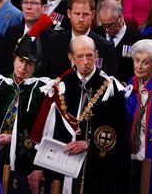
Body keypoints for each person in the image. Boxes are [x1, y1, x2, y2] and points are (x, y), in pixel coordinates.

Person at [30, 35, 131, 194]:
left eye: (89, 55)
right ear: (71, 57)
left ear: (97, 55)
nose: (85, 61)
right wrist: (38, 167)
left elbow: (120, 134)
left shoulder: (111, 89)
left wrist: (88, 145)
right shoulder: (61, 86)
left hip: (96, 169)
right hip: (59, 167)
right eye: (80, 56)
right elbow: (48, 130)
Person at [0, 13, 52, 194]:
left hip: (24, 163)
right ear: (13, 59)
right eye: (20, 61)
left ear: (36, 66)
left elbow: (45, 131)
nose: (23, 68)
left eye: (29, 63)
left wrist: (14, 138)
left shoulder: (42, 91)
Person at [45, 0, 117, 78]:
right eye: (77, 14)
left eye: (85, 14)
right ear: (69, 13)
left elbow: (109, 81)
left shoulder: (106, 46)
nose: (81, 19)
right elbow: (46, 74)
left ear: (93, 15)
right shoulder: (55, 41)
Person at [124, 39, 152, 194]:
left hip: (151, 153)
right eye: (137, 60)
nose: (139, 66)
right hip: (130, 153)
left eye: (145, 62)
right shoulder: (131, 85)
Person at [4, 0, 56, 75]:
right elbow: (5, 64)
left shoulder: (52, 37)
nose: (28, 7)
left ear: (44, 8)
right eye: (25, 2)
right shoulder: (12, 32)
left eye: (34, 3)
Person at [95, 0, 142, 83]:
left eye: (111, 25)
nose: (107, 29)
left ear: (120, 17)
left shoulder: (137, 40)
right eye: (103, 25)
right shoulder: (95, 35)